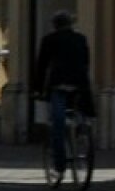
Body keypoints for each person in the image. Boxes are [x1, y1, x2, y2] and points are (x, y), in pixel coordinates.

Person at [34, 10, 94, 172]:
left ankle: (59, 163)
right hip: (79, 86)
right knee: (81, 113)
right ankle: (83, 133)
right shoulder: (81, 39)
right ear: (70, 24)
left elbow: (42, 66)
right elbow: (86, 62)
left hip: (58, 86)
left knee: (58, 123)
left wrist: (38, 90)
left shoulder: (49, 40)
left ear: (55, 25)